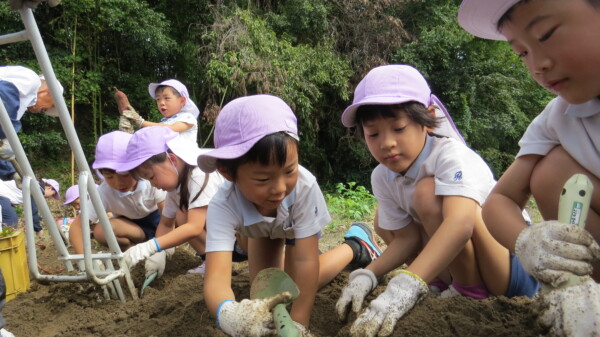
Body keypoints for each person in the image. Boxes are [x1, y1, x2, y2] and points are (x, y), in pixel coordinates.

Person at [336, 65, 540, 337]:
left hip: (510, 268)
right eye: (373, 134)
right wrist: (368, 275)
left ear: (427, 119)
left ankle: (469, 291)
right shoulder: (382, 177)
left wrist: (406, 283)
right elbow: (406, 239)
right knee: (382, 222)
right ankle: (439, 284)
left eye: (398, 128)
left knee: (427, 194)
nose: (387, 143)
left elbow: (462, 223)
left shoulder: (449, 155)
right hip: (462, 268)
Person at [457, 0, 600, 335]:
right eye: (521, 52)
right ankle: (584, 299)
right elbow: (499, 202)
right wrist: (528, 243)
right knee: (552, 172)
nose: (537, 65)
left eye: (546, 35)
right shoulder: (560, 118)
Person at [196, 94, 383, 337]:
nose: (280, 188)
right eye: (263, 179)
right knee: (265, 292)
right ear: (228, 173)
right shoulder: (223, 204)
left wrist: (298, 324)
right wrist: (229, 315)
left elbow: (307, 261)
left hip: (294, 223)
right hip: (259, 230)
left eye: (289, 170)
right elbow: (216, 280)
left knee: (298, 280)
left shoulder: (303, 188)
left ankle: (356, 245)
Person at [116, 126, 224, 277]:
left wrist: (151, 246)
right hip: (226, 234)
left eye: (151, 177)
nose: (152, 184)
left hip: (242, 234)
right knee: (181, 215)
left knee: (187, 219)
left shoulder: (199, 174)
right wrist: (158, 253)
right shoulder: (176, 185)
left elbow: (194, 227)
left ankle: (220, 263)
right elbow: (166, 223)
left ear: (172, 159)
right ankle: (210, 260)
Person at [69, 131, 167, 266]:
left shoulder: (151, 181)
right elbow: (77, 227)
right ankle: (130, 250)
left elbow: (167, 215)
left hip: (162, 222)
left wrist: (162, 247)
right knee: (100, 230)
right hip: (135, 229)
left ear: (137, 167)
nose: (118, 183)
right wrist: (86, 260)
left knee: (180, 213)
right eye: (109, 177)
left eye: (125, 175)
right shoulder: (104, 193)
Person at [0, 65, 62, 182]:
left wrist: (11, 173)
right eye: (45, 109)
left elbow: (2, 146)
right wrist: (6, 134)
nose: (40, 111)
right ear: (48, 92)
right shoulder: (30, 79)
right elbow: (4, 94)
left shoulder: (19, 106)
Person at [121, 79, 200, 145]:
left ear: (182, 101)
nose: (161, 103)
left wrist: (140, 122)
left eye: (167, 98)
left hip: (185, 161)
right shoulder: (163, 121)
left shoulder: (188, 117)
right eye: (158, 99)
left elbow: (170, 129)